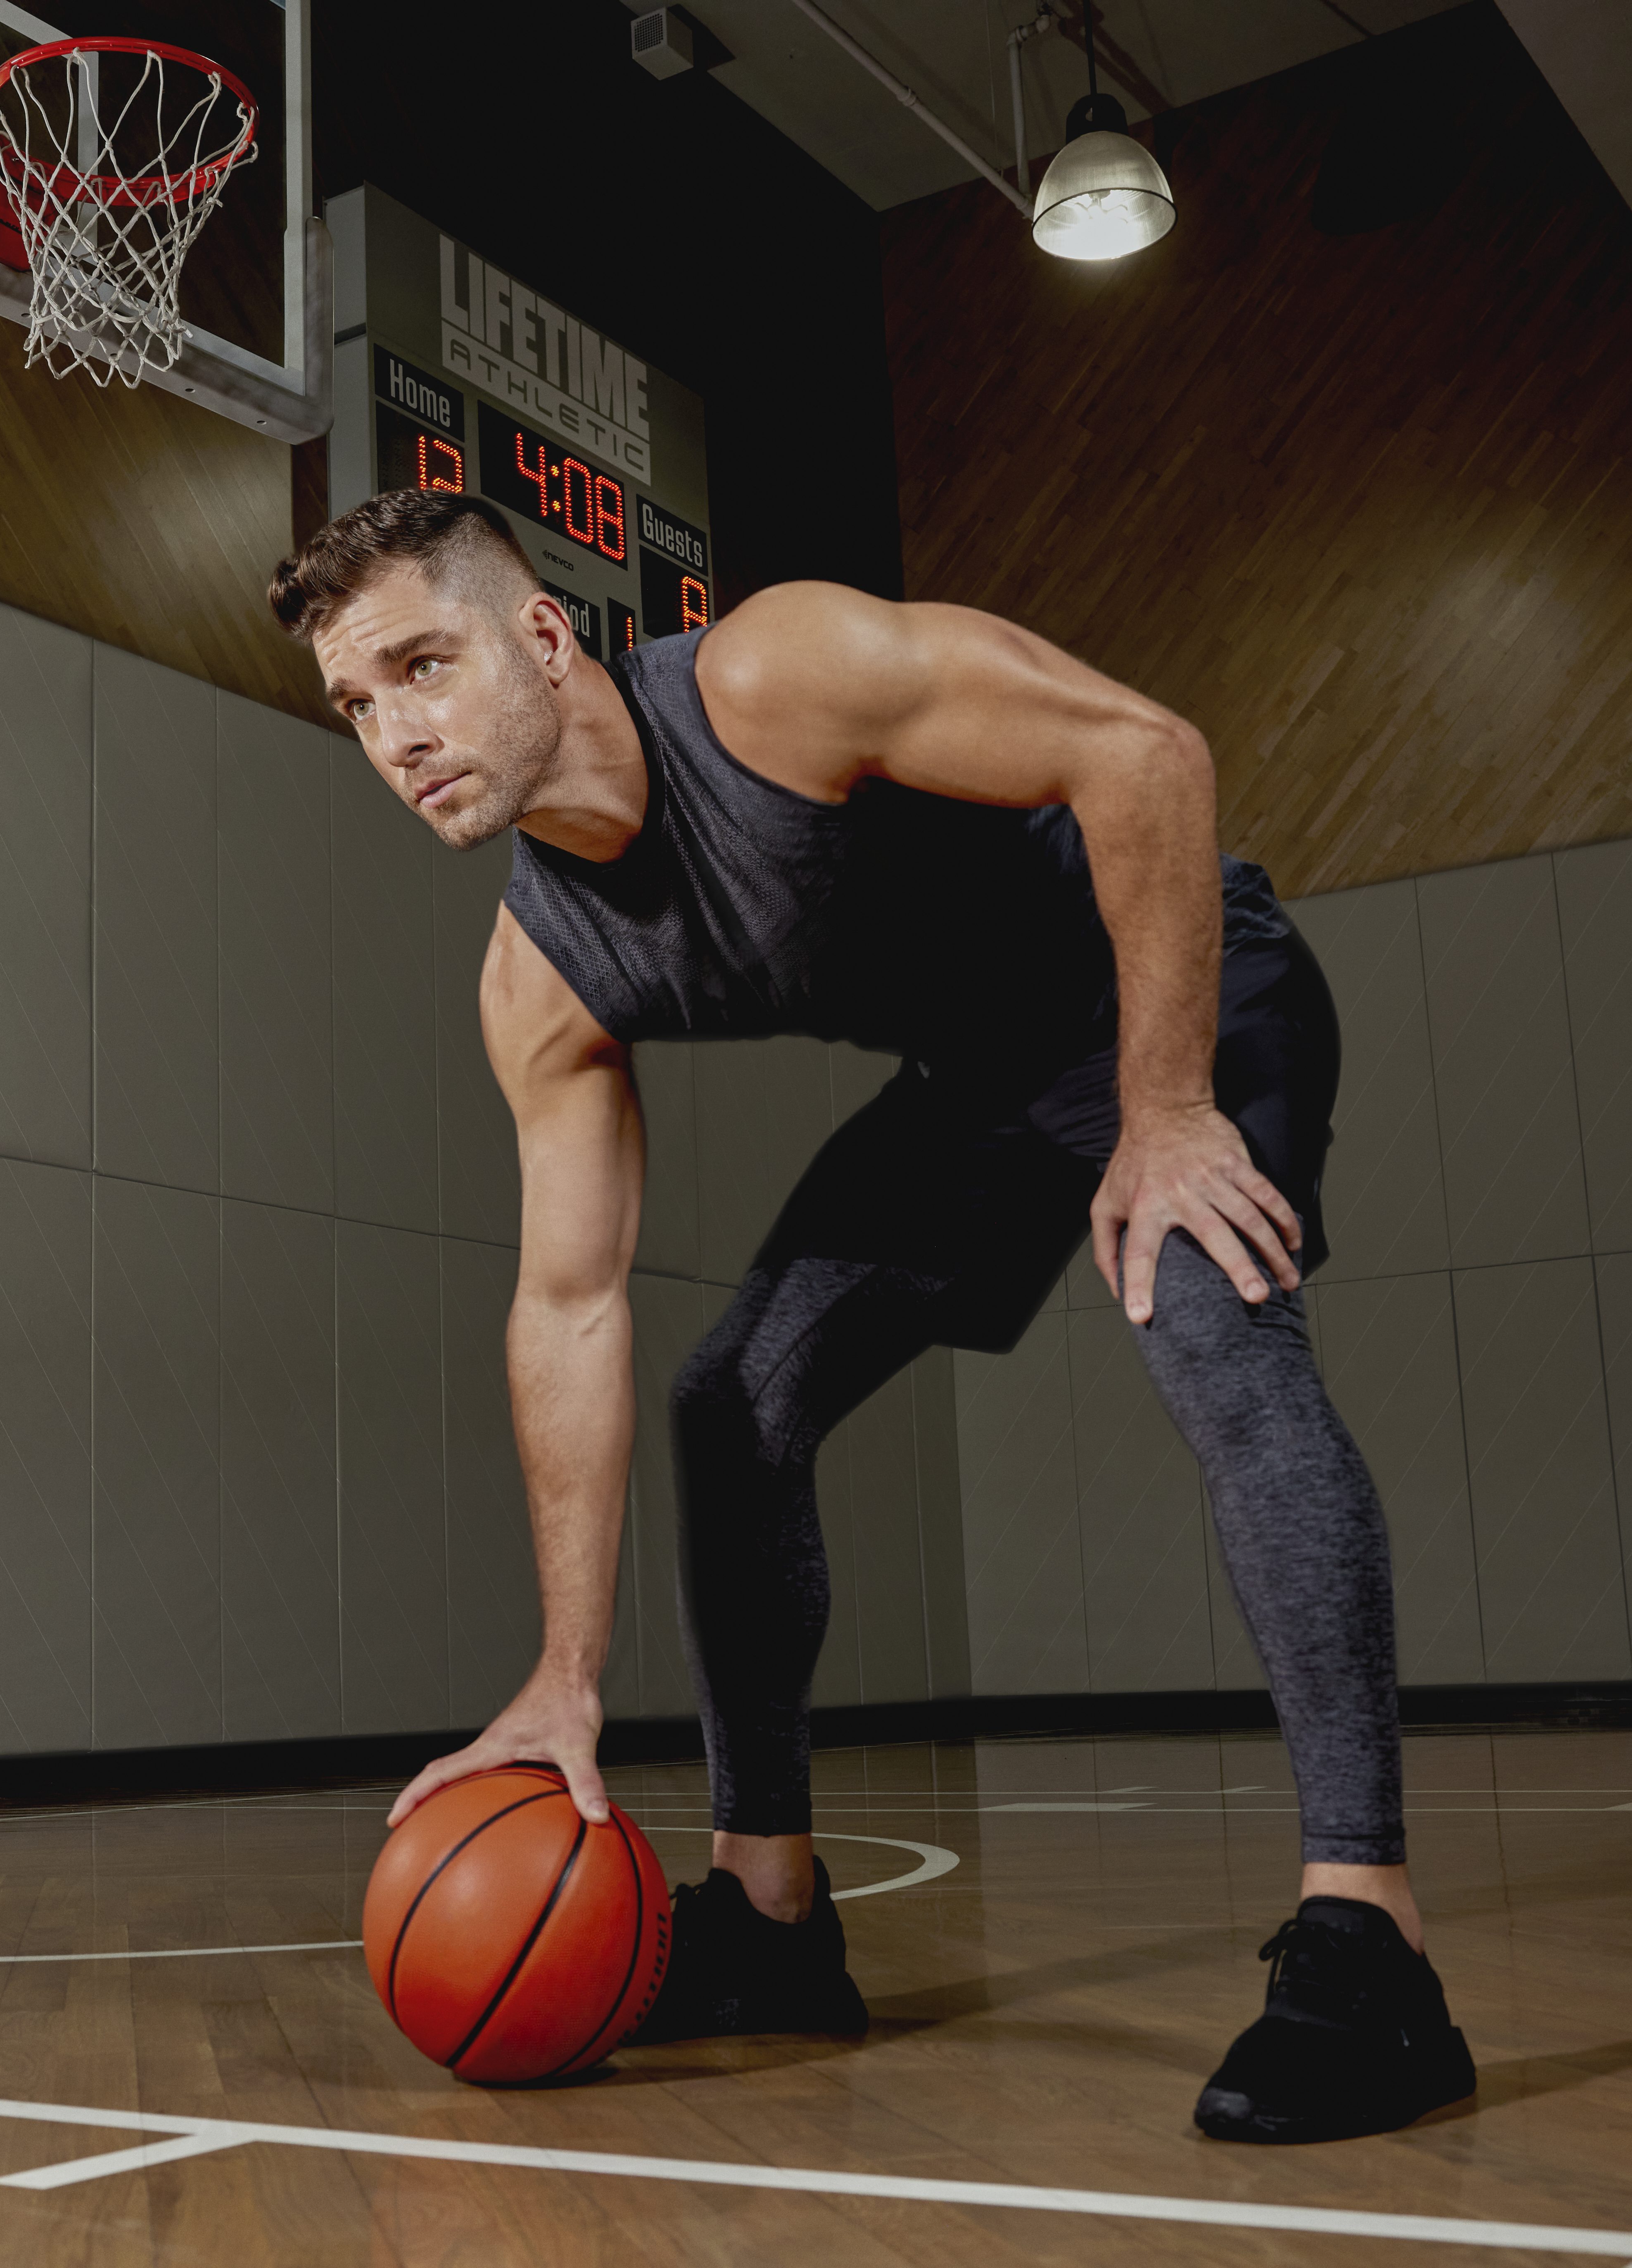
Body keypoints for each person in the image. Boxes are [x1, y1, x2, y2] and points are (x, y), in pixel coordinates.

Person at [269, 489, 1473, 2145]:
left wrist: (1168, 1099)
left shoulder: (774, 678)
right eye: (356, 705)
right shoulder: (540, 980)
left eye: (420, 664)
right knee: (728, 1402)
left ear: (542, 635)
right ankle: (768, 1922)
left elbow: (1146, 754)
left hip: (1168, 984)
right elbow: (565, 1303)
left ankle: (1370, 1942)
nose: (396, 733)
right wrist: (564, 1674)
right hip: (978, 1088)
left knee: (1202, 1318)